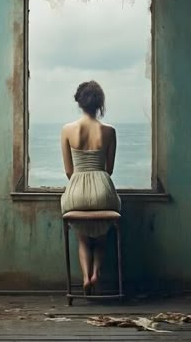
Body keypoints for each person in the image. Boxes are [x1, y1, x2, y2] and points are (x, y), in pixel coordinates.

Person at [61, 80, 121, 293]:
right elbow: (109, 169)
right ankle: (96, 273)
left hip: (76, 191)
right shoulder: (110, 131)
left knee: (83, 238)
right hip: (102, 190)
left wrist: (80, 184)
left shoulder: (67, 130)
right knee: (102, 237)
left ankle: (85, 276)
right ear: (99, 104)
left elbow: (69, 171)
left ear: (79, 102)